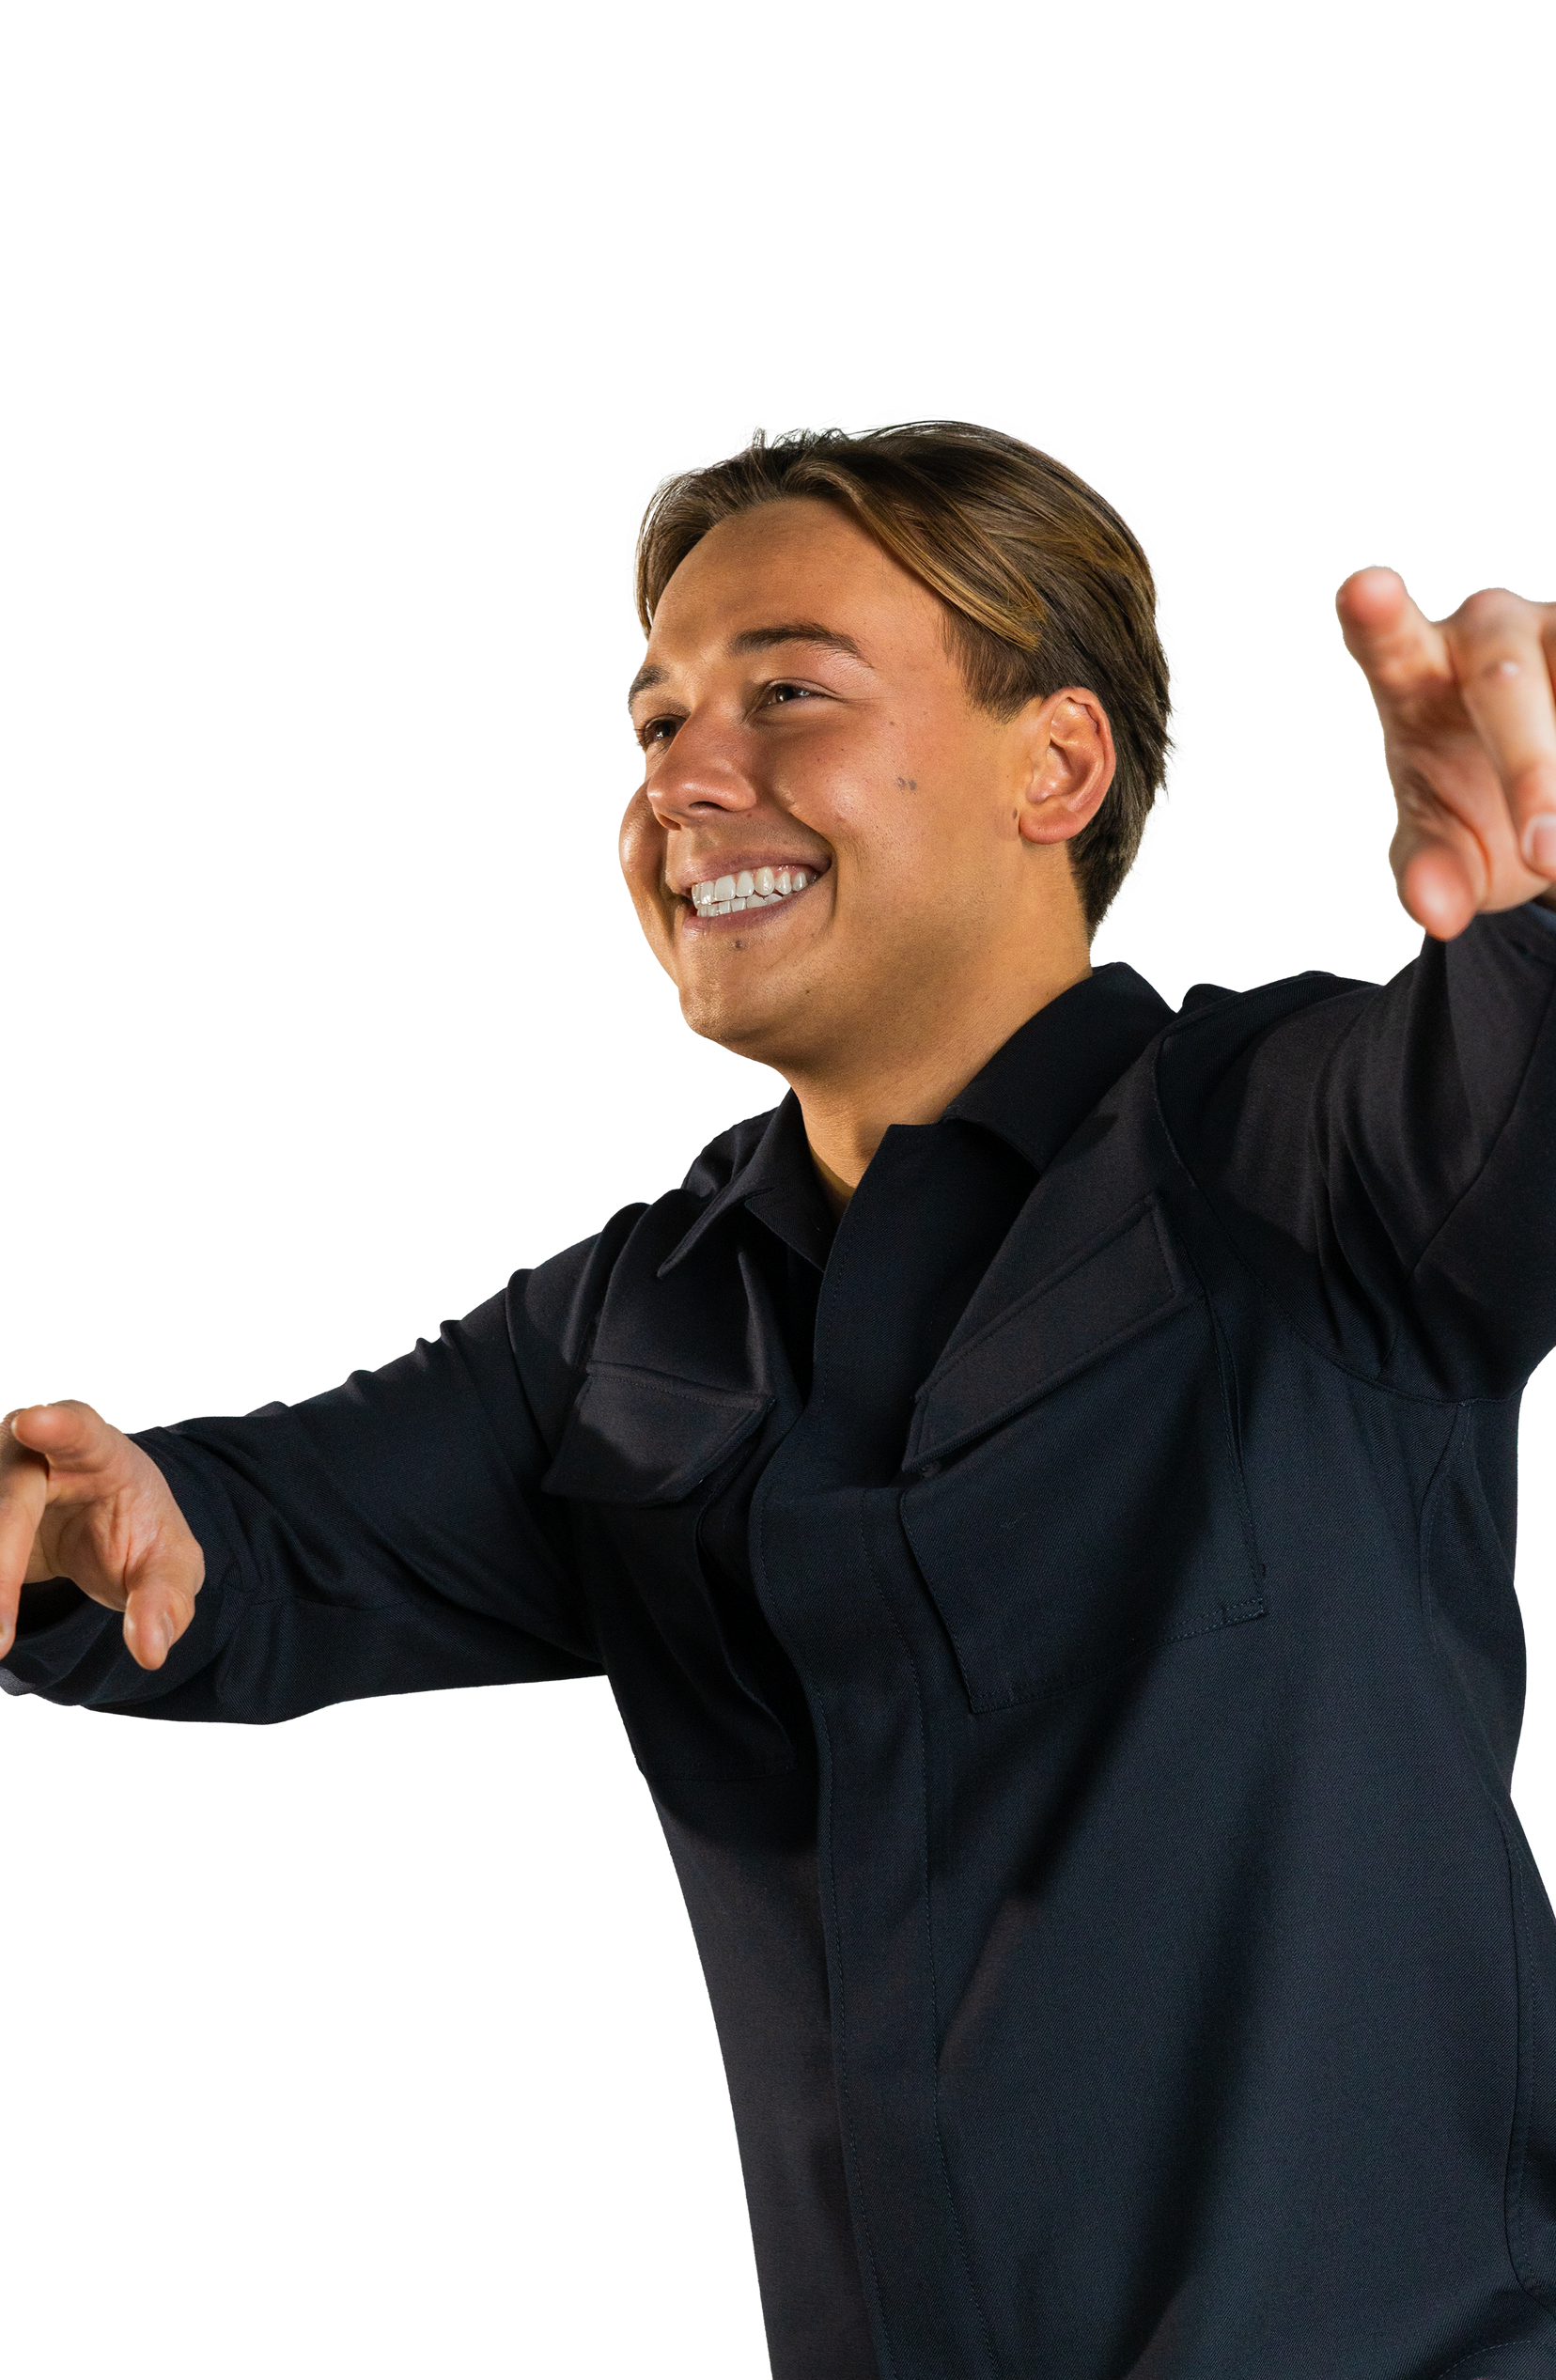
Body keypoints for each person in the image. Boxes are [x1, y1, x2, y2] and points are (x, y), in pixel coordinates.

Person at [3, 410, 1553, 2379]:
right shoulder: (628, 1324)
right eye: (656, 723)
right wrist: (84, 1520)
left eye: (787, 693)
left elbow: (1516, 1101)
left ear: (1057, 765)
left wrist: (1537, 893)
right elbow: (237, 1538)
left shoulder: (1296, 1161)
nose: (680, 781)